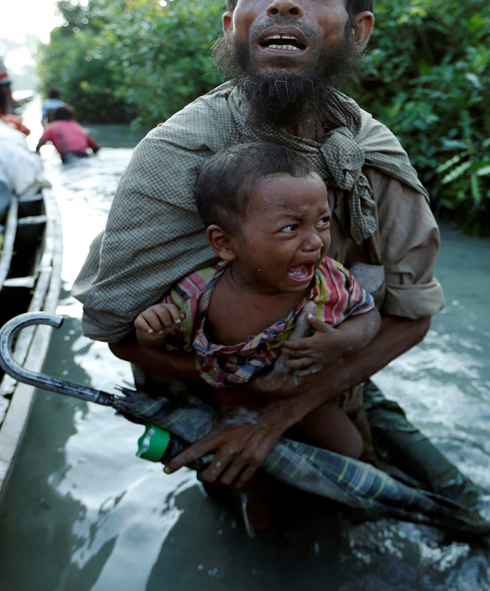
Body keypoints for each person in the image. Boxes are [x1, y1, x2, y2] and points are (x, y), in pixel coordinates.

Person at [74, 0, 481, 504]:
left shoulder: (371, 153)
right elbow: (118, 332)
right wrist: (248, 397)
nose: (283, 3)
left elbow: (412, 314)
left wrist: (288, 406)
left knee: (457, 506)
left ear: (358, 30)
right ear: (233, 24)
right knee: (249, 506)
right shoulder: (177, 155)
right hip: (210, 406)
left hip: (332, 381)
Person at [135, 143, 380, 464]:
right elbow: (161, 348)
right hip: (232, 400)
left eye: (322, 221)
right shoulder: (197, 295)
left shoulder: (328, 280)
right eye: (290, 227)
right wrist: (151, 332)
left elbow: (369, 315)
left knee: (350, 449)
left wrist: (341, 341)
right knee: (242, 470)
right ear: (225, 243)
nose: (316, 241)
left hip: (303, 394)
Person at [35, 105, 100, 164]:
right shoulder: (78, 126)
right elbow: (95, 147)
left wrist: (37, 156)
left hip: (69, 158)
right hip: (84, 156)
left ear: (55, 116)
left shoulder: (51, 127)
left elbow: (40, 144)